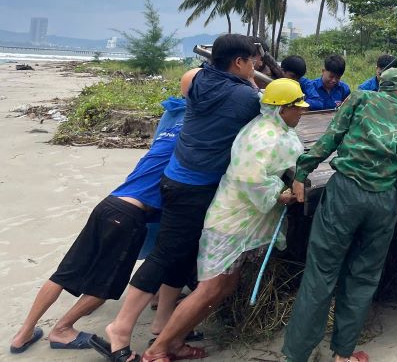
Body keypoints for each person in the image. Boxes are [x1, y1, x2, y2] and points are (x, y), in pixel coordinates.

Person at [96, 34, 262, 362]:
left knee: (182, 253)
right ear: (239, 62)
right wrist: (254, 80)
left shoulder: (198, 79)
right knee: (164, 256)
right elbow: (266, 109)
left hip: (175, 178)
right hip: (195, 188)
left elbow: (191, 78)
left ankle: (162, 324)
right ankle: (121, 326)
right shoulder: (245, 97)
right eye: (252, 61)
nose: (255, 66)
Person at [9, 89, 192, 356]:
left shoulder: (166, 134)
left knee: (65, 272)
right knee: (106, 285)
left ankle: (23, 333)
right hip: (129, 217)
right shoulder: (190, 148)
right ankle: (62, 329)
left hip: (109, 203)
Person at [141, 79, 308, 361]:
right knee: (209, 289)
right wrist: (282, 196)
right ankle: (157, 349)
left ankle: (176, 341)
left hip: (245, 223)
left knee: (225, 287)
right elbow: (249, 178)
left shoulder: (275, 130)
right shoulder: (263, 137)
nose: (302, 113)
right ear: (281, 109)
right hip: (231, 222)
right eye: (297, 108)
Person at [283, 68, 397, 362]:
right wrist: (392, 185)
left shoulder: (360, 98)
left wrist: (303, 170)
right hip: (383, 201)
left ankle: (296, 354)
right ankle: (343, 354)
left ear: (380, 86)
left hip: (345, 192)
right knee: (363, 277)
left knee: (321, 273)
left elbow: (332, 137)